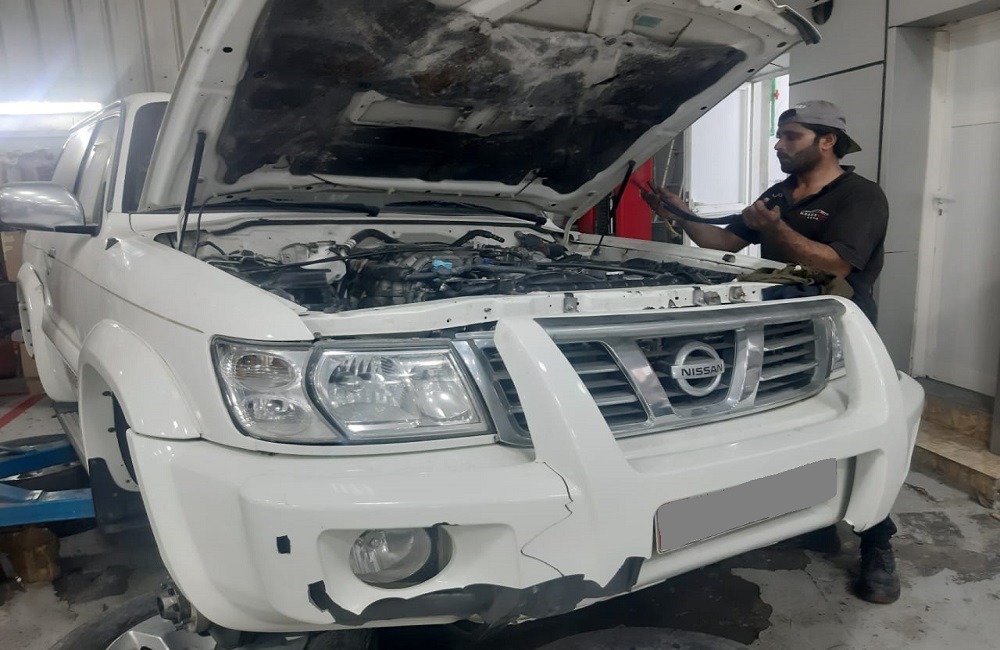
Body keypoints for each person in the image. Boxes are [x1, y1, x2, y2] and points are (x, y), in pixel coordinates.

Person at [641, 99, 899, 604]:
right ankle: (812, 517)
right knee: (788, 434)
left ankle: (878, 543)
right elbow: (722, 243)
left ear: (828, 141)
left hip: (839, 334)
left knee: (862, 433)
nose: (779, 145)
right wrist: (678, 215)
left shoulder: (861, 196)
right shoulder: (779, 193)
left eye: (791, 136)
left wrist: (776, 229)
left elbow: (838, 265)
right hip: (776, 334)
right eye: (779, 136)